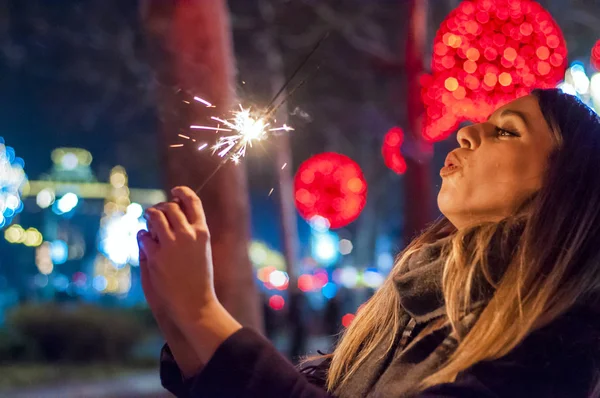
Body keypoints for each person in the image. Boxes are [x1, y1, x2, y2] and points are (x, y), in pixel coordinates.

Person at [137, 89, 600, 397]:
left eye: (506, 130)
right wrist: (180, 323)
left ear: (566, 188)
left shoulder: (548, 340)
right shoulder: (415, 300)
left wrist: (201, 313)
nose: (466, 132)